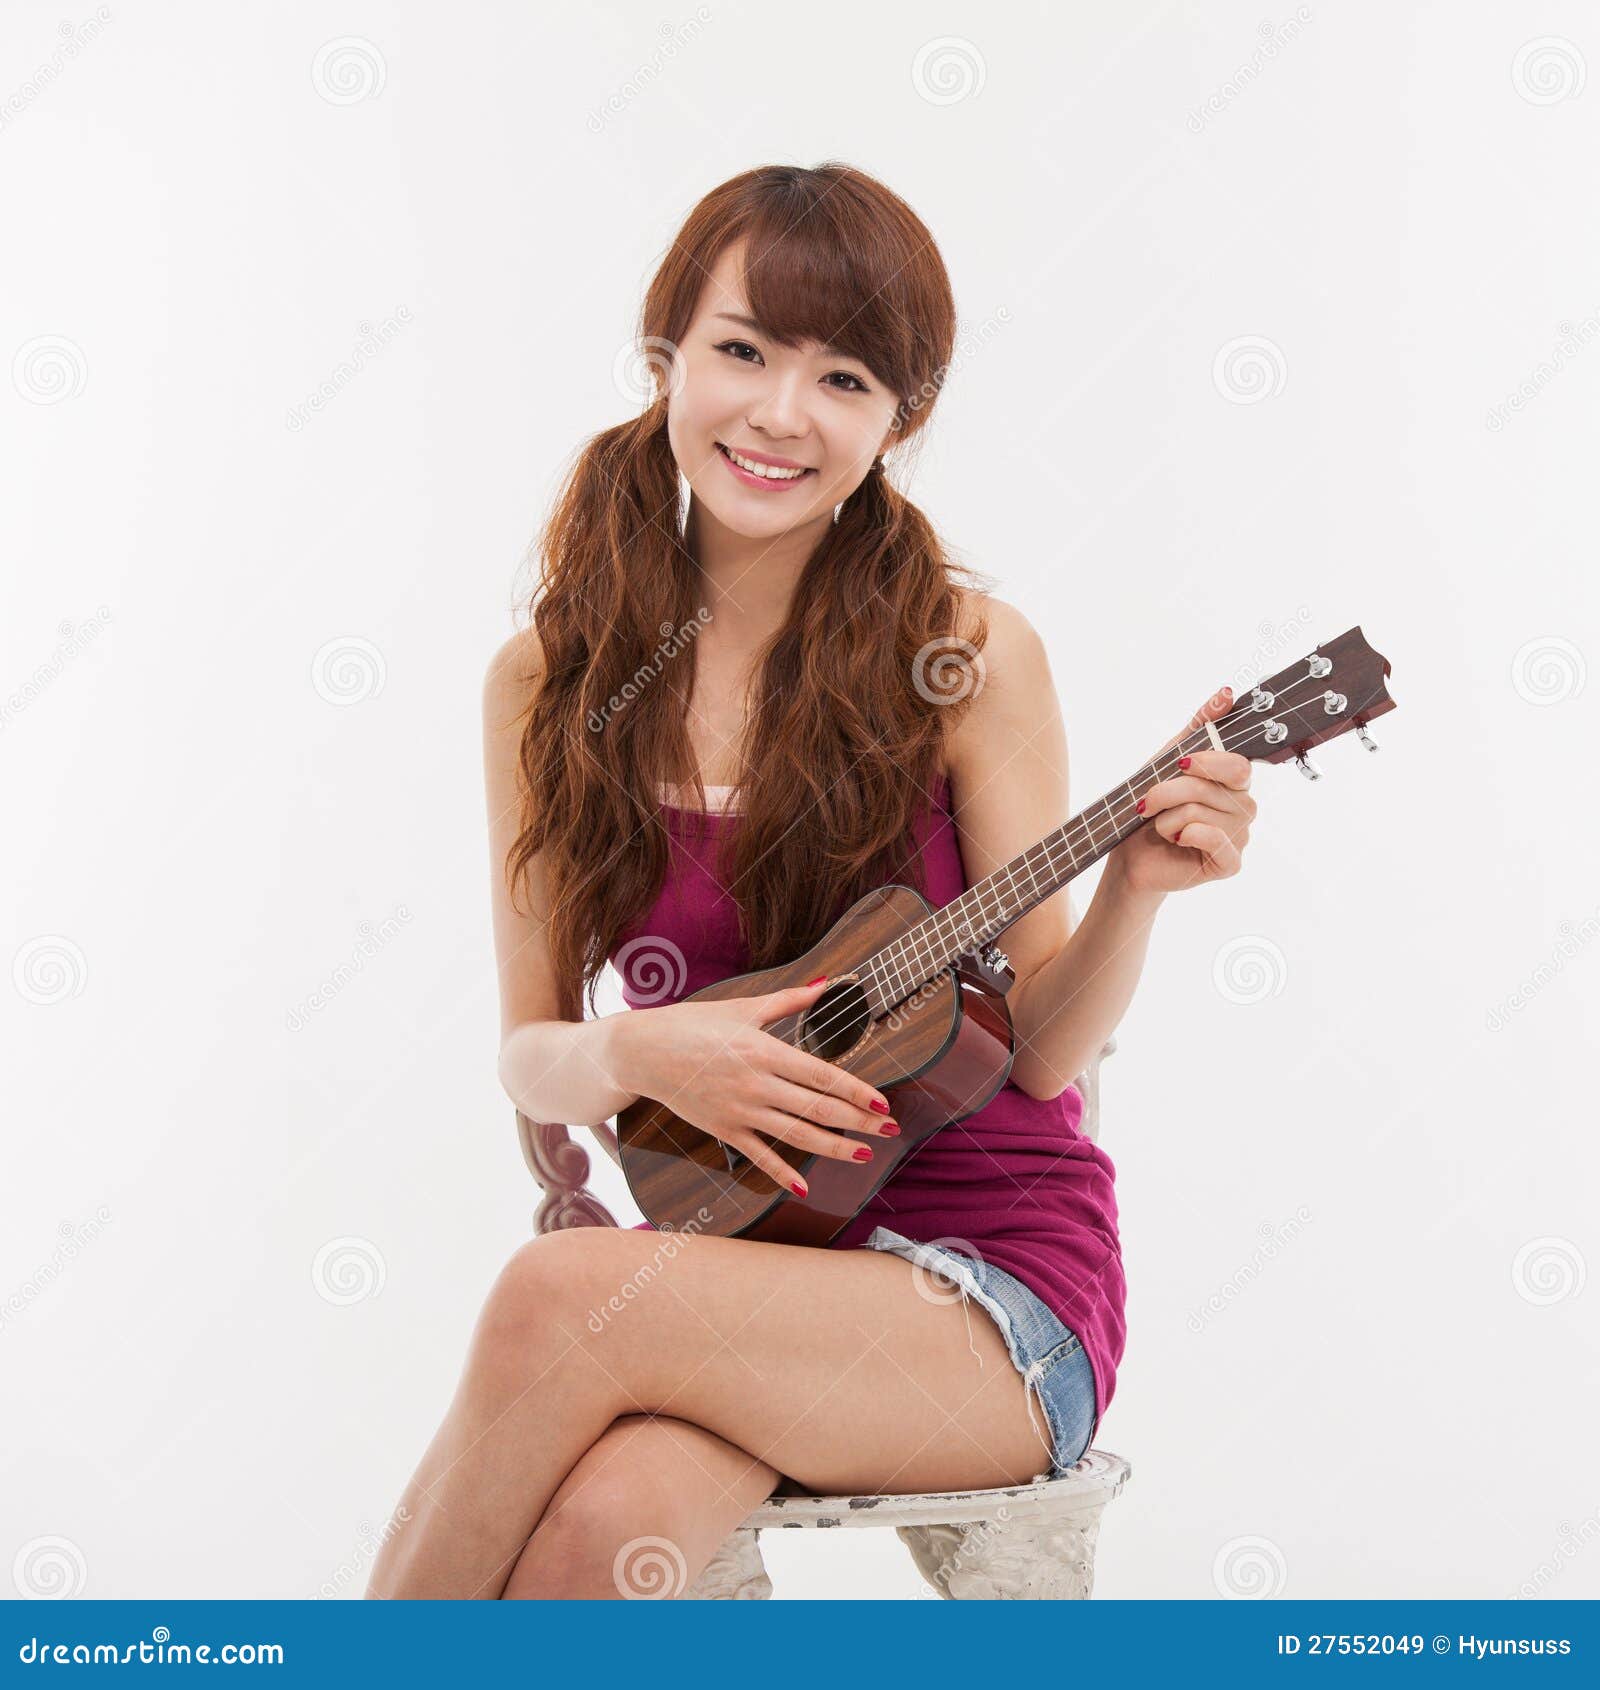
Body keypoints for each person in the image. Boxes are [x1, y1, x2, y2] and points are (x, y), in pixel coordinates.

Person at [367, 162, 1255, 1601]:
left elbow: (1040, 1053)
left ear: (899, 418)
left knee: (552, 1294)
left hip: (988, 1295)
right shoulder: (546, 683)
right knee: (594, 1538)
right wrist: (640, 1053)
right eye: (742, 351)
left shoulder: (968, 655)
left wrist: (1135, 890)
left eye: (844, 378)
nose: (782, 414)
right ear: (666, 356)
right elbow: (532, 1052)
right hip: (736, 1253)